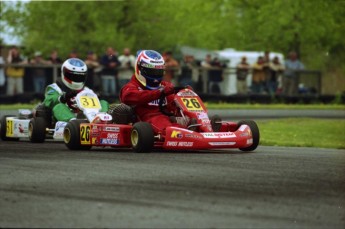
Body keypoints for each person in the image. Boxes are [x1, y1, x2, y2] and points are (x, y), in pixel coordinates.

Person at [120, 50, 183, 134]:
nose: (155, 75)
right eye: (152, 71)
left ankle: (196, 128)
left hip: (168, 116)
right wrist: (159, 92)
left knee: (187, 116)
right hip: (149, 119)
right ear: (140, 68)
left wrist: (183, 93)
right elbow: (128, 97)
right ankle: (185, 133)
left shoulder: (164, 85)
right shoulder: (131, 86)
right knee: (164, 125)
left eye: (158, 72)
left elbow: (172, 98)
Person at [42, 58, 109, 122]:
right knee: (58, 106)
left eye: (79, 76)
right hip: (63, 118)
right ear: (64, 73)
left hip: (85, 116)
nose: (76, 78)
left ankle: (103, 119)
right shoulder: (54, 87)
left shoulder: (86, 89)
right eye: (73, 76)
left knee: (103, 102)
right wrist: (63, 97)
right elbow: (49, 101)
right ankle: (73, 121)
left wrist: (97, 96)